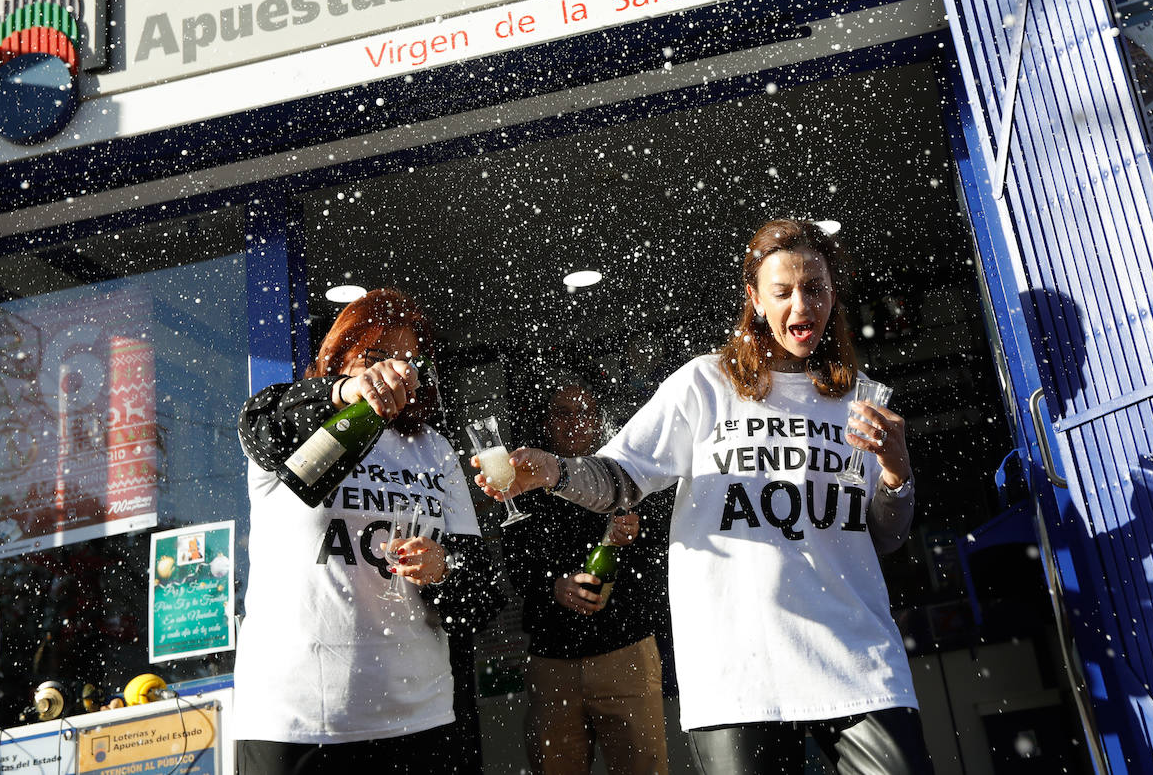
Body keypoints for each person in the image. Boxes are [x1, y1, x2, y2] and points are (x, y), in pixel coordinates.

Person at [478, 219, 933, 775]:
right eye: (783, 291)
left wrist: (896, 471)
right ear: (754, 298)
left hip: (859, 659)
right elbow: (622, 478)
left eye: (814, 288)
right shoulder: (705, 385)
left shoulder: (862, 400)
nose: (801, 306)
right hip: (738, 668)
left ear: (833, 292)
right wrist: (554, 471)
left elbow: (884, 536)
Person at [235, 288, 504, 775]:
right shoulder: (298, 432)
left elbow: (482, 594)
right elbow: (259, 417)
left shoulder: (433, 449)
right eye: (375, 358)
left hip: (420, 716)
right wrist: (344, 393)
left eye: (407, 362)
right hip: (298, 720)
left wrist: (446, 568)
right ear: (339, 358)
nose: (392, 373)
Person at [504, 383, 672, 775]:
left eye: (585, 412)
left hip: (626, 651)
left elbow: (666, 558)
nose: (575, 423)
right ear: (546, 422)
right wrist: (552, 586)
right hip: (552, 658)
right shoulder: (524, 480)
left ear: (599, 421)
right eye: (563, 413)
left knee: (643, 767)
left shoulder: (625, 475)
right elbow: (515, 565)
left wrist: (638, 532)